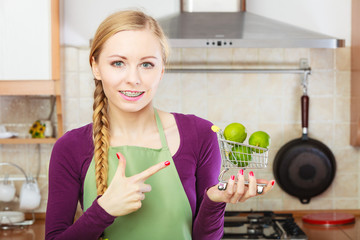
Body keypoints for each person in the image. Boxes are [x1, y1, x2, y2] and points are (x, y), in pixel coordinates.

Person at [45, 10, 275, 240]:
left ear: (161, 69)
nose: (133, 79)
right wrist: (104, 210)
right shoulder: (70, 148)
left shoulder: (201, 135)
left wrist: (214, 201)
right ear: (95, 67)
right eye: (118, 63)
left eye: (146, 64)